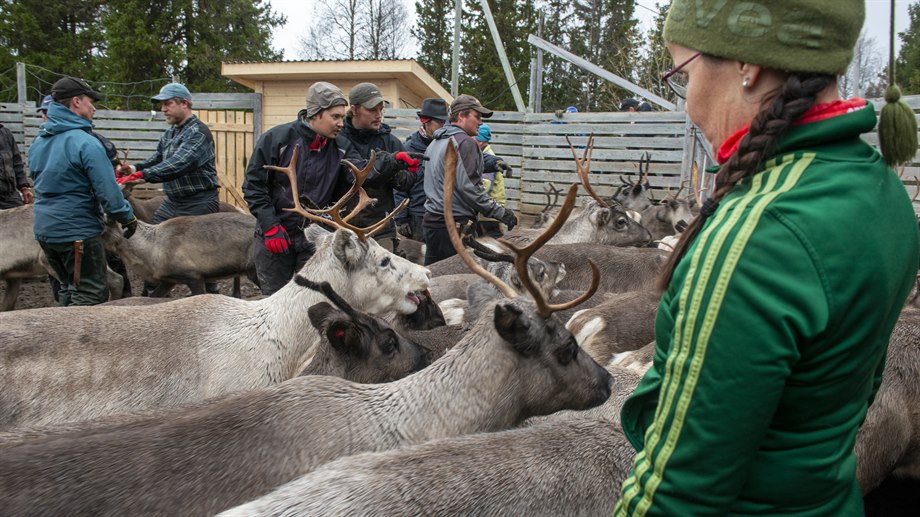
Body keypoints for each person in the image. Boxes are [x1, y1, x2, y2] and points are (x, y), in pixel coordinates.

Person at [614, 2, 919, 515]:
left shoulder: (756, 235)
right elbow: (857, 391)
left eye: (681, 73)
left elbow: (676, 492)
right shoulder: (883, 193)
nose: (686, 102)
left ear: (746, 66)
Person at [243, 81, 362, 296]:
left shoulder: (341, 147)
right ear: (315, 114)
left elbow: (361, 170)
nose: (341, 123)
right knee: (276, 303)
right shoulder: (277, 139)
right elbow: (254, 186)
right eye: (335, 117)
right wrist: (270, 226)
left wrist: (394, 162)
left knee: (312, 302)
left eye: (342, 118)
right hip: (275, 238)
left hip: (313, 241)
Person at [28, 77, 137, 306]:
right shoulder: (85, 143)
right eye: (90, 101)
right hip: (76, 231)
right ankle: (75, 341)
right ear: (76, 101)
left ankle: (62, 335)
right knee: (90, 293)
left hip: (45, 230)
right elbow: (109, 195)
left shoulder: (39, 142)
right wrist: (127, 217)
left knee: (68, 287)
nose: (93, 107)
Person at [116, 82, 221, 295]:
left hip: (199, 202)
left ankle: (211, 298)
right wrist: (134, 168)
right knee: (151, 247)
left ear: (185, 104)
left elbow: (178, 164)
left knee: (202, 257)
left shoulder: (198, 133)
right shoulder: (171, 133)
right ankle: (151, 298)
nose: (163, 109)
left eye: (168, 103)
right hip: (173, 202)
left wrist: (142, 176)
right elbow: (158, 159)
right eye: (162, 104)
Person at [422, 94, 517, 265]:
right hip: (453, 227)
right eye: (477, 116)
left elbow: (456, 173)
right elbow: (470, 188)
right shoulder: (465, 143)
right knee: (457, 283)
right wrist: (501, 213)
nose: (480, 122)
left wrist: (493, 163)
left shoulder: (436, 143)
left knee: (433, 280)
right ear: (461, 116)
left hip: (432, 224)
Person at [336, 82, 423, 253]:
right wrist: (389, 166)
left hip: (380, 229)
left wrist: (406, 172)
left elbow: (406, 183)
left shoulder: (390, 141)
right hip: (343, 228)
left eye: (381, 109)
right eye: (372, 110)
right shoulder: (338, 138)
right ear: (354, 109)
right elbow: (354, 175)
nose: (378, 115)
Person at [395, 97, 448, 242]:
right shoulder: (408, 149)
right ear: (425, 121)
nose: (443, 126)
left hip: (442, 215)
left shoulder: (447, 146)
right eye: (439, 122)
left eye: (445, 122)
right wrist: (401, 218)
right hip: (418, 217)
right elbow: (399, 187)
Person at [473, 123, 513, 238]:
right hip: (487, 210)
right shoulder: (483, 155)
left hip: (490, 212)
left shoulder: (487, 157)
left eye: (473, 138)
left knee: (492, 242)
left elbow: (485, 186)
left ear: (480, 141)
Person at [0, 113, 32, 209]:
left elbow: (17, 162)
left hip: (9, 195)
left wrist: (24, 188)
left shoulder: (6, 134)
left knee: (21, 219)